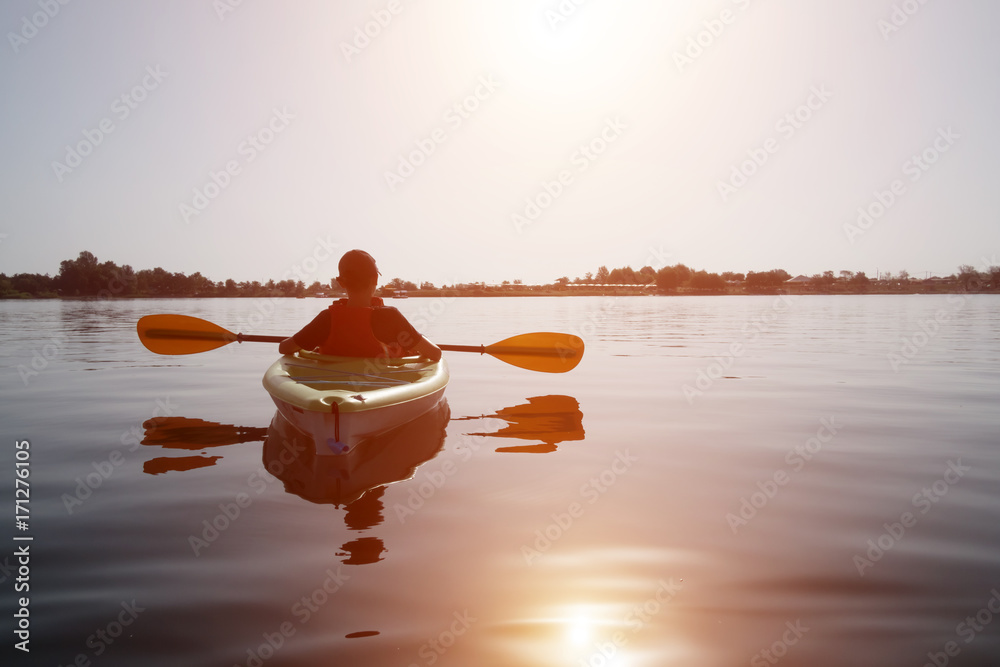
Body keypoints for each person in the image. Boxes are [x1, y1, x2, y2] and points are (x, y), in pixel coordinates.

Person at [278, 250, 442, 361]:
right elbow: (435, 354)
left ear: (341, 282)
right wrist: (421, 338)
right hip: (379, 392)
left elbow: (284, 348)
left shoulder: (326, 319)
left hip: (332, 389)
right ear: (375, 280)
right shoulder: (391, 317)